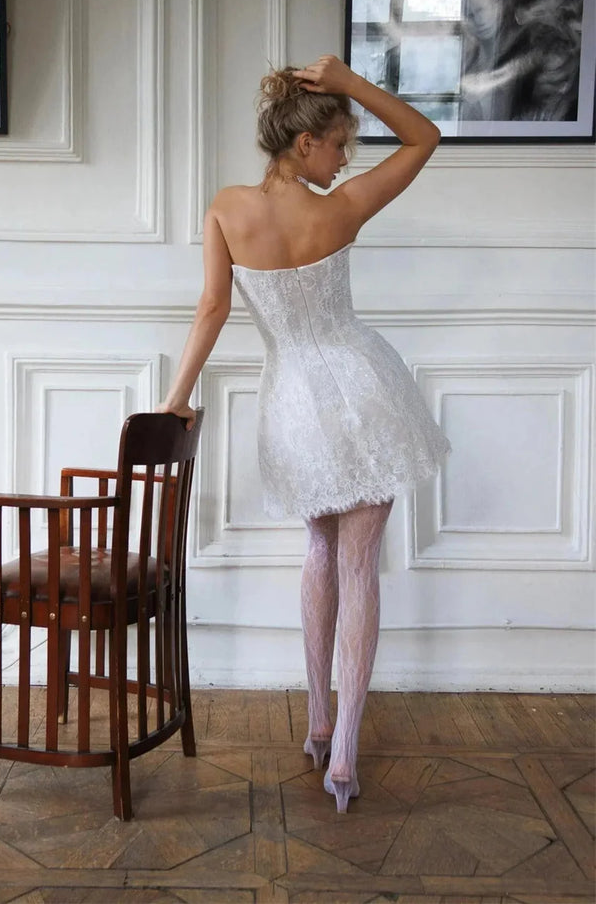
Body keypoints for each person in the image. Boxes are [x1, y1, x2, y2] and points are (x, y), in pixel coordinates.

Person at [156, 54, 451, 812]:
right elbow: (423, 137)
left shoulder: (226, 208)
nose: (347, 156)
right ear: (301, 145)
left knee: (320, 549)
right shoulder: (342, 208)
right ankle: (343, 750)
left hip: (291, 398)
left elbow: (212, 310)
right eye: (340, 141)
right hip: (361, 388)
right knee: (358, 567)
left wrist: (175, 399)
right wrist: (353, 82)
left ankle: (320, 717)